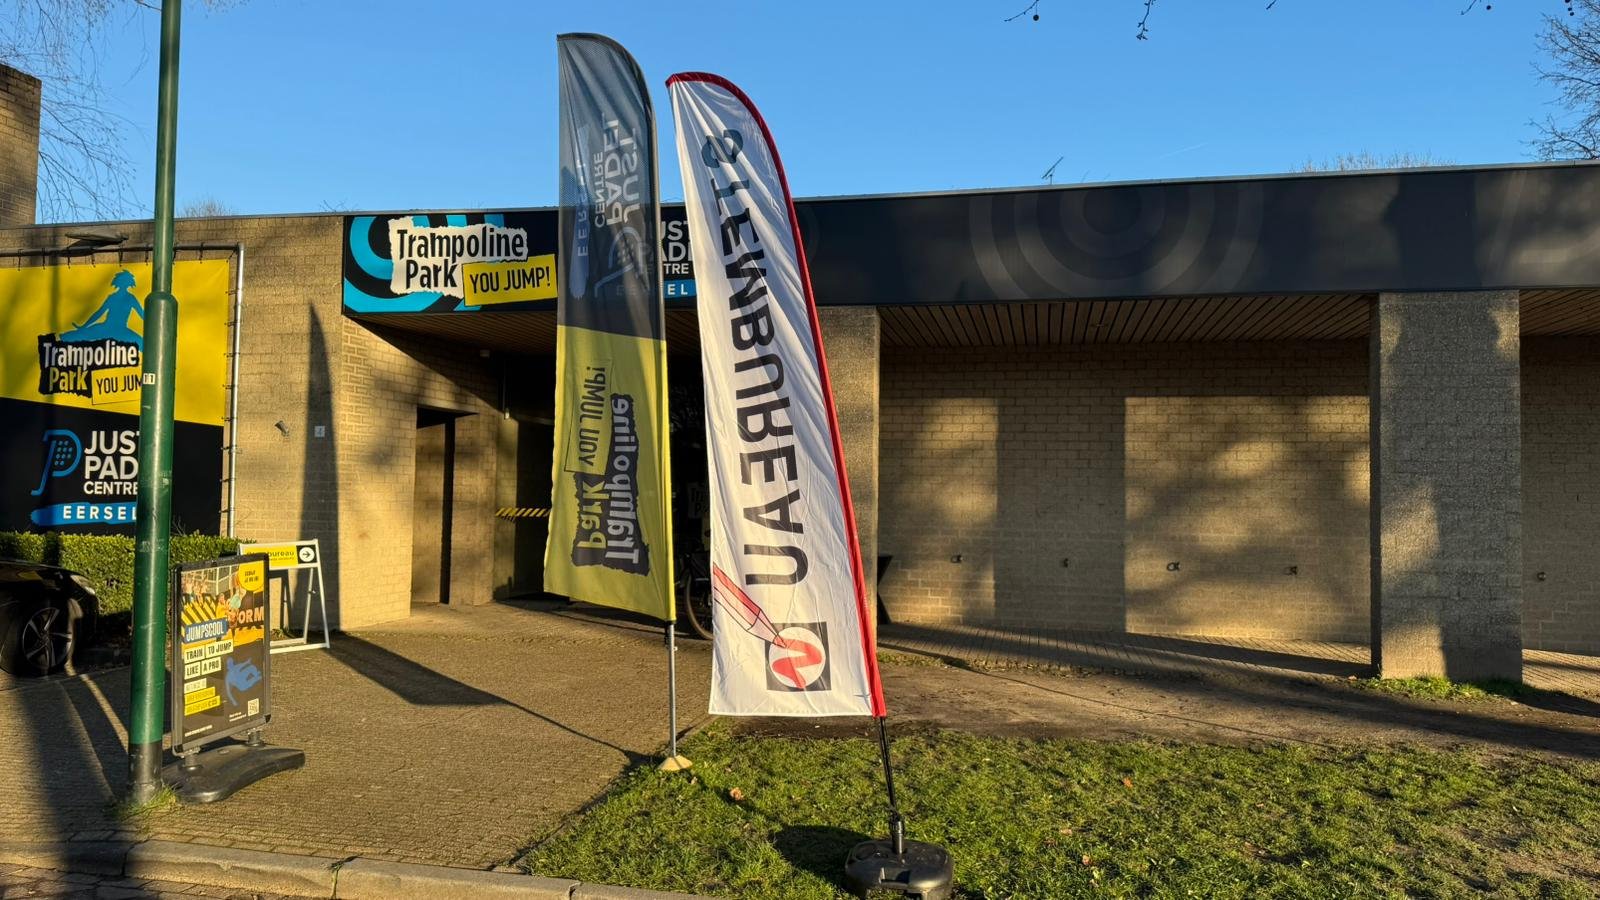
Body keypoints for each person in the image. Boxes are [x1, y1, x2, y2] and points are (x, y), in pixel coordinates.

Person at [61, 270, 144, 349]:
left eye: (126, 282)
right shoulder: (113, 297)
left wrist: (84, 326)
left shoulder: (130, 298)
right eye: (123, 282)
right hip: (108, 327)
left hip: (118, 329)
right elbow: (99, 313)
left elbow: (143, 315)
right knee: (77, 335)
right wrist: (84, 326)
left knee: (142, 344)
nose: (124, 284)